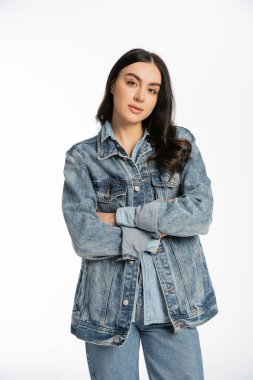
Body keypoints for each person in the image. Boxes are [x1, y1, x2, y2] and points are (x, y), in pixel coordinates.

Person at [61, 48, 218, 380]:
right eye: (132, 82)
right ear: (113, 85)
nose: (140, 96)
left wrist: (121, 217)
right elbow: (86, 237)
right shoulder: (82, 158)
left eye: (152, 89)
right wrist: (157, 228)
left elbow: (200, 215)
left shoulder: (180, 144)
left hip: (174, 307)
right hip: (109, 309)